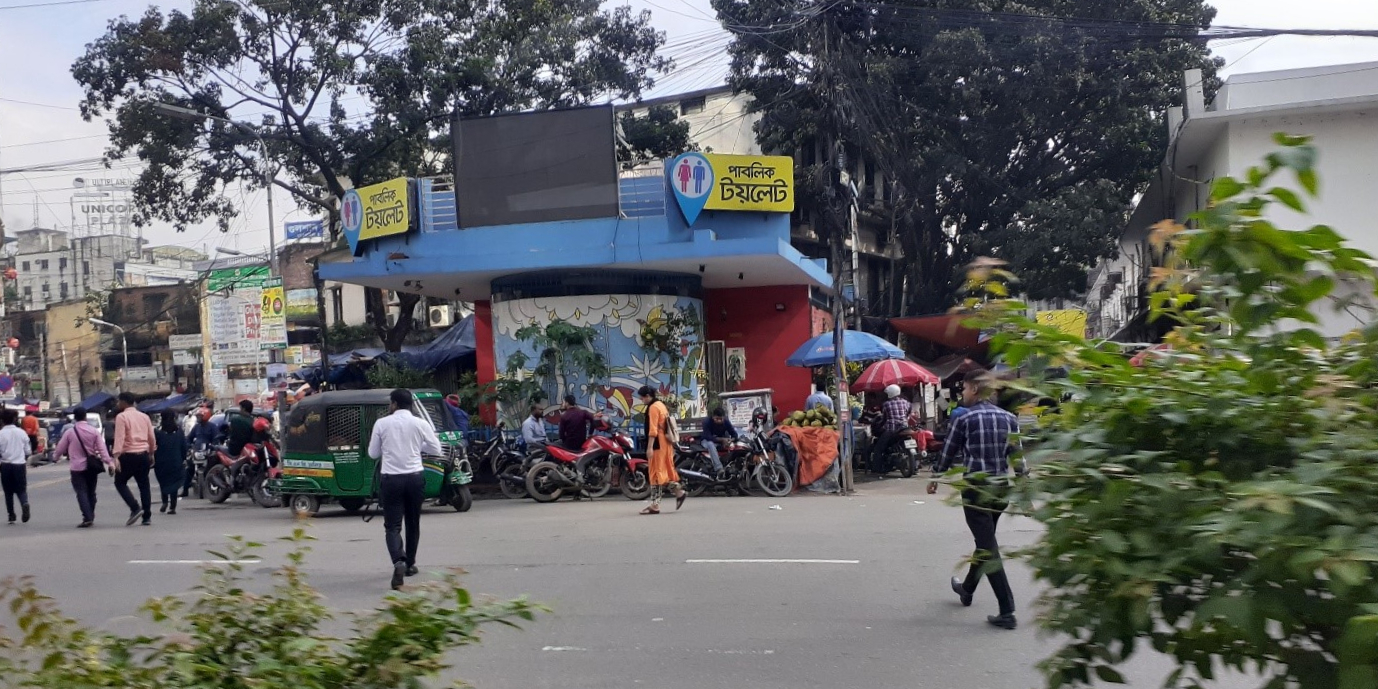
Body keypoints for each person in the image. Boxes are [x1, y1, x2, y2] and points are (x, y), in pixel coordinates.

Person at [931, 368, 1022, 630]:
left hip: (976, 491)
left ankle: (1007, 610)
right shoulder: (1009, 418)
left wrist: (935, 477)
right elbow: (1017, 456)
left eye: (964, 389)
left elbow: (948, 452)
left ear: (973, 389)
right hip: (1001, 489)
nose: (962, 394)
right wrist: (1024, 481)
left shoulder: (965, 419)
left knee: (988, 548)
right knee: (986, 543)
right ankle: (967, 588)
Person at [368, 388, 442, 590]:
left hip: (391, 479)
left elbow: (373, 453)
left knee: (392, 526)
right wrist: (417, 447)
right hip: (415, 478)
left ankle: (398, 561)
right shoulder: (420, 424)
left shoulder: (382, 424)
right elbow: (436, 449)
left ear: (394, 404)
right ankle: (410, 564)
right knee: (412, 522)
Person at [53, 407, 113, 527]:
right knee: (91, 492)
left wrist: (55, 457)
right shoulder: (94, 431)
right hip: (92, 467)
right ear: (85, 416)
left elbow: (60, 448)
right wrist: (109, 462)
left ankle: (87, 516)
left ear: (74, 418)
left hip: (77, 468)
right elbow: (102, 449)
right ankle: (90, 513)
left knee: (81, 492)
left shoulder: (70, 432)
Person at [113, 392, 158, 526]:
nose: (117, 404)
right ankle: (147, 516)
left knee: (120, 482)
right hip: (143, 454)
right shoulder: (144, 417)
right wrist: (151, 453)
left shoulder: (121, 417)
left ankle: (135, 507)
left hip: (128, 455)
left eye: (118, 401)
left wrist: (116, 456)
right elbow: (151, 437)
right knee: (144, 485)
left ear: (124, 402)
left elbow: (120, 437)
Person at [638, 385, 684, 515]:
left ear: (647, 396)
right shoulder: (661, 405)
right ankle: (658, 503)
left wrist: (649, 447)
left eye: (642, 398)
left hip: (657, 444)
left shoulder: (653, 408)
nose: (642, 400)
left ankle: (673, 494)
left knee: (656, 473)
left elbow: (653, 430)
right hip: (665, 443)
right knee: (660, 472)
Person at [868, 384, 912, 472]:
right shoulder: (906, 402)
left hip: (891, 429)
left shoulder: (886, 404)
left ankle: (877, 469)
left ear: (890, 394)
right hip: (904, 427)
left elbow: (884, 418)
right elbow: (908, 413)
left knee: (878, 448)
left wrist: (879, 425)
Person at [154, 411, 189, 515]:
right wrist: (183, 458)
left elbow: (154, 447)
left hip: (161, 462)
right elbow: (184, 446)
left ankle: (165, 501)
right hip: (176, 461)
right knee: (174, 483)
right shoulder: (179, 431)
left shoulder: (158, 432)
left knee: (163, 482)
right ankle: (172, 506)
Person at [0, 410, 31, 524]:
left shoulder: (1, 434)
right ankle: (24, 503)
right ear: (14, 419)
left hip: (6, 465)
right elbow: (28, 450)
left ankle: (11, 515)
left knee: (8, 492)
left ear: (2, 421)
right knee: (21, 489)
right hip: (19, 465)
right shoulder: (21, 433)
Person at [699, 407, 738, 476]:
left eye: (721, 419)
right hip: (706, 441)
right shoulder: (706, 422)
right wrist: (722, 439)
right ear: (713, 417)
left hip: (720, 442)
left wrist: (730, 440)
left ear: (724, 417)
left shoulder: (726, 421)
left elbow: (734, 434)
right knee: (711, 444)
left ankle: (729, 468)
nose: (719, 421)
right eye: (717, 419)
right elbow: (708, 437)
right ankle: (719, 469)